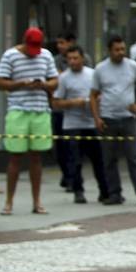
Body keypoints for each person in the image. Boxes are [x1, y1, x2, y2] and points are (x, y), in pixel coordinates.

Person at [0, 27, 59, 215]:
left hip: (40, 111)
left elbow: (55, 80)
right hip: (18, 111)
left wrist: (45, 85)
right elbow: (0, 83)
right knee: (15, 157)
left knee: (36, 157)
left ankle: (37, 201)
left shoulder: (46, 55)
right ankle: (9, 202)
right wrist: (21, 83)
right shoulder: (10, 56)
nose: (34, 53)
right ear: (24, 41)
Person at [91, 36, 136, 206]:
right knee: (109, 159)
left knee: (135, 157)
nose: (120, 52)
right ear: (109, 50)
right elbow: (93, 95)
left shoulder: (132, 66)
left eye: (122, 49)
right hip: (108, 118)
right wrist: (96, 118)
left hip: (128, 119)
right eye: (117, 49)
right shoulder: (100, 69)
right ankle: (114, 193)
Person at [52, 45, 110, 204]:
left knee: (98, 160)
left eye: (75, 58)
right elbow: (56, 103)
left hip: (91, 121)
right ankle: (78, 190)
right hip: (72, 123)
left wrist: (96, 101)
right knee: (75, 160)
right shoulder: (64, 78)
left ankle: (105, 191)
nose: (72, 62)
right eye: (69, 59)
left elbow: (102, 94)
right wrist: (72, 103)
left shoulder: (92, 75)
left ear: (82, 58)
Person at [52, 32, 90, 193]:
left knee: (77, 150)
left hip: (82, 114)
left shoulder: (85, 59)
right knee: (61, 147)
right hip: (60, 110)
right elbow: (54, 80)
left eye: (62, 42)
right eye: (58, 43)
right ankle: (68, 176)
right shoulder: (54, 60)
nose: (59, 46)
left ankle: (73, 179)